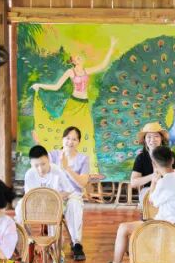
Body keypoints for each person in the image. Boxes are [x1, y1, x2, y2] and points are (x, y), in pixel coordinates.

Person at [31, 39, 116, 173]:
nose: (80, 58)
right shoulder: (70, 72)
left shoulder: (86, 71)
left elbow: (102, 66)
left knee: (87, 133)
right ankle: (61, 163)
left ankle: (87, 169)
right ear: (75, 61)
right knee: (66, 132)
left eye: (81, 57)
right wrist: (39, 85)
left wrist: (111, 46)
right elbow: (56, 86)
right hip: (73, 104)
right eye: (77, 57)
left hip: (84, 106)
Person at [20, 144, 86, 262]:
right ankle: (29, 241)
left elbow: (68, 190)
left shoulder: (56, 170)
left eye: (43, 164)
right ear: (31, 164)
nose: (40, 169)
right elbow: (29, 197)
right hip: (39, 206)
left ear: (48, 160)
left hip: (58, 201)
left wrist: (53, 198)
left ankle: (76, 243)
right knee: (20, 208)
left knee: (74, 203)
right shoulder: (29, 174)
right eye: (36, 165)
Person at [130, 121, 175, 205]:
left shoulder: (169, 154)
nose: (152, 139)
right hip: (148, 189)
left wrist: (166, 174)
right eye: (149, 137)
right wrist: (153, 176)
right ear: (145, 140)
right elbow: (133, 183)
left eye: (156, 136)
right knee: (150, 201)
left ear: (161, 138)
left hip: (169, 188)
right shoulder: (141, 158)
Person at [50, 126, 93, 200]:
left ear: (79, 142)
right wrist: (37, 144)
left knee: (73, 203)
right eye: (68, 138)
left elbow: (83, 183)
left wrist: (67, 168)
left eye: (74, 139)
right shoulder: (53, 155)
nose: (70, 142)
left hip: (74, 196)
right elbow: (40, 163)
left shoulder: (83, 159)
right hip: (55, 195)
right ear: (62, 139)